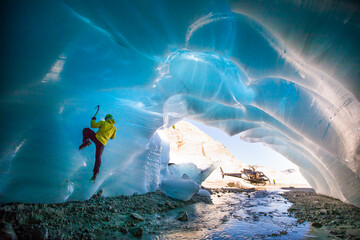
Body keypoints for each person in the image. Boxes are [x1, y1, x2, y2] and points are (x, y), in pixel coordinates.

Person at [79, 114, 117, 181]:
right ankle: (95, 173)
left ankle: (86, 141)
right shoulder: (114, 128)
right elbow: (112, 138)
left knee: (86, 129)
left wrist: (93, 119)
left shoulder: (103, 122)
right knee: (98, 157)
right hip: (102, 144)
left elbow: (93, 126)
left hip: (96, 138)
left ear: (106, 119)